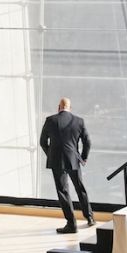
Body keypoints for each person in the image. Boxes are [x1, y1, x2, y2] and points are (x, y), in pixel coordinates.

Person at [40, 97, 95, 233]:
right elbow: (87, 142)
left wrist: (51, 154)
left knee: (63, 191)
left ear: (58, 107)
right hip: (73, 160)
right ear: (70, 108)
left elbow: (42, 142)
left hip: (56, 161)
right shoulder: (79, 121)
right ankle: (90, 218)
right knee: (80, 188)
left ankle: (71, 224)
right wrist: (83, 157)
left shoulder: (50, 120)